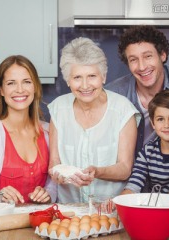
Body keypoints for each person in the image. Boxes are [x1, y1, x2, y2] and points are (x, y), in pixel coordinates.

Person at [48, 37, 141, 203]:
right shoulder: (58, 109)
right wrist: (59, 176)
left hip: (110, 211)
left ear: (103, 77)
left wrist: (97, 172)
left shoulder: (123, 110)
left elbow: (125, 168)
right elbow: (54, 162)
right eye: (77, 77)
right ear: (68, 81)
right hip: (68, 212)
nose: (85, 85)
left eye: (92, 76)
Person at [0, 55, 56, 204]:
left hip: (40, 226)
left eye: (27, 82)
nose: (20, 90)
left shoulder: (48, 132)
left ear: (35, 87)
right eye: (11, 83)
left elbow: (53, 184)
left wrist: (47, 194)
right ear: (1, 90)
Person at [105, 25, 169, 156]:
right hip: (129, 173)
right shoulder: (114, 93)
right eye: (133, 60)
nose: (142, 67)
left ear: (162, 55)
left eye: (148, 56)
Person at [122, 89, 169, 194]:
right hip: (153, 206)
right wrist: (118, 202)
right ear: (153, 123)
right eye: (160, 119)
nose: (167, 125)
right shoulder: (148, 151)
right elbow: (134, 184)